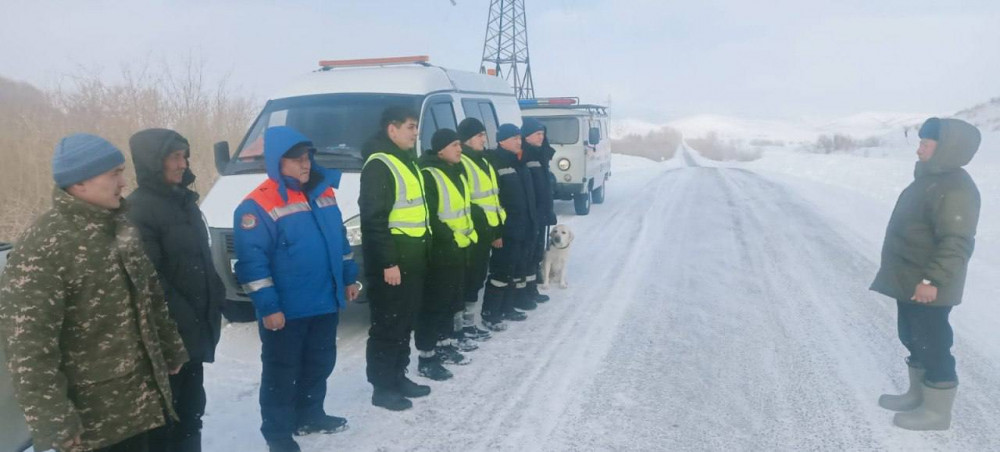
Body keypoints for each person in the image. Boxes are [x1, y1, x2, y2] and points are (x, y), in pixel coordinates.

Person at [0, 133, 188, 452]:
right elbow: (28, 346)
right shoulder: (44, 245)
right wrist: (53, 421)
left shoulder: (120, 227)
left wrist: (170, 346)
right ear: (79, 183)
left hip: (144, 403)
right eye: (114, 174)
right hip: (96, 423)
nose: (124, 183)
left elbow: (150, 295)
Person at [233, 126, 360, 452]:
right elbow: (251, 265)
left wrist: (348, 277)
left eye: (307, 158)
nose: (305, 165)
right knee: (281, 373)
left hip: (324, 300)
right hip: (287, 310)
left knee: (320, 363)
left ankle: (310, 414)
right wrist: (268, 307)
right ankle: (278, 434)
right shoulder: (256, 206)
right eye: (296, 160)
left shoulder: (324, 192)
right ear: (278, 162)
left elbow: (340, 241)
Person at [871, 117, 981, 431]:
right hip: (911, 280)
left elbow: (957, 241)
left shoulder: (956, 188)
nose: (919, 150)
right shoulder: (930, 179)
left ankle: (937, 412)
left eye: (925, 144)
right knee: (912, 337)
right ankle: (917, 395)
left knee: (932, 343)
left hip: (929, 284)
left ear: (946, 148)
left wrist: (932, 280)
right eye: (919, 143)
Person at [127, 128, 225, 452]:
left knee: (191, 411)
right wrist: (183, 328)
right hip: (168, 337)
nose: (182, 164)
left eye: (184, 156)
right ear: (153, 162)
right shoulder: (138, 210)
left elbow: (198, 261)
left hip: (192, 330)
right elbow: (151, 281)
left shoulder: (185, 202)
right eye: (174, 157)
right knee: (166, 421)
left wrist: (216, 295)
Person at [360, 106, 433, 411]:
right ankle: (382, 387)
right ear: (392, 129)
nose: (416, 132)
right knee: (387, 325)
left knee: (404, 323)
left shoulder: (407, 161)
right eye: (410, 127)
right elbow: (374, 220)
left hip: (411, 262)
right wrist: (389, 262)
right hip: (392, 266)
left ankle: (398, 376)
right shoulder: (379, 165)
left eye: (416, 127)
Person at [414, 129, 480, 381]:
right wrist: (450, 240)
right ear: (440, 149)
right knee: (434, 304)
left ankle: (444, 345)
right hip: (442, 251)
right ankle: (426, 357)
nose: (459, 149)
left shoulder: (456, 171)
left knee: (451, 302)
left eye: (459, 145)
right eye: (454, 145)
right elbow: (431, 215)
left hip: (460, 248)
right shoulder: (430, 174)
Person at [481, 124, 538, 330]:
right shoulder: (495, 163)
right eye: (513, 138)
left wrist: (532, 222)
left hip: (522, 226)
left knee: (513, 269)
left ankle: (507, 307)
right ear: (502, 140)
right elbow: (494, 200)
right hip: (506, 229)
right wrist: (497, 232)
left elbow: (526, 197)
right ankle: (491, 313)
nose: (518, 141)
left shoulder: (518, 162)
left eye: (519, 137)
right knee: (500, 272)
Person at [457, 118, 504, 341]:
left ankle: (469, 324)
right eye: (479, 135)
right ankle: (461, 328)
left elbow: (492, 197)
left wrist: (495, 231)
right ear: (467, 139)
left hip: (486, 231)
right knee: (467, 281)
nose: (484, 139)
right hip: (471, 233)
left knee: (476, 279)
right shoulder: (463, 162)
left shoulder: (483, 160)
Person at [520, 119, 558, 308]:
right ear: (526, 136)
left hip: (541, 213)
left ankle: (531, 290)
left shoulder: (540, 155)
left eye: (542, 134)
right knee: (528, 255)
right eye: (537, 134)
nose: (541, 137)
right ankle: (524, 294)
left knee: (536, 254)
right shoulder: (525, 156)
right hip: (531, 215)